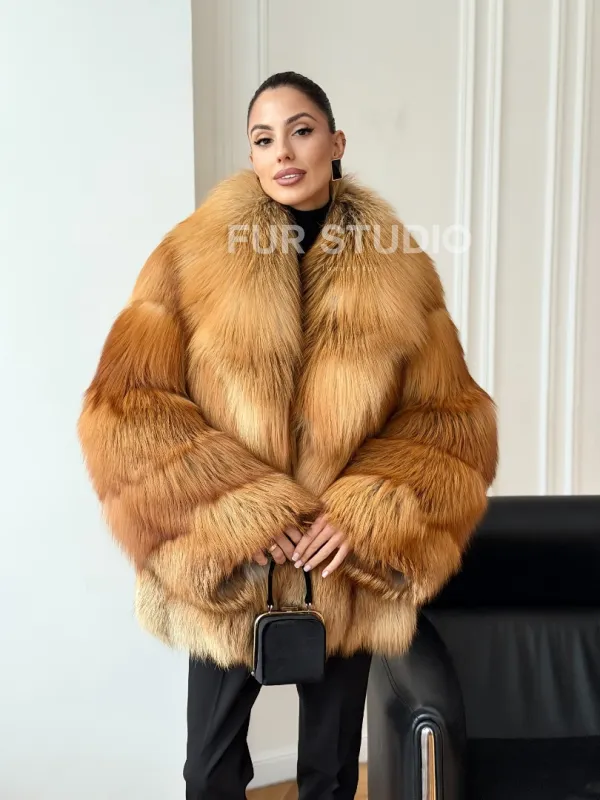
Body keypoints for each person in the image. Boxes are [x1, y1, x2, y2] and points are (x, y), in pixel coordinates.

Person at [77, 71, 498, 799]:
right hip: (229, 566)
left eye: (301, 130)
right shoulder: (189, 257)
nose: (283, 152)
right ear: (251, 156)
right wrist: (240, 509)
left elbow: (448, 420)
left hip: (342, 567)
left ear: (336, 142)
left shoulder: (400, 271)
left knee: (331, 775)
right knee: (209, 770)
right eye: (264, 138)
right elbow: (127, 406)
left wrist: (364, 514)